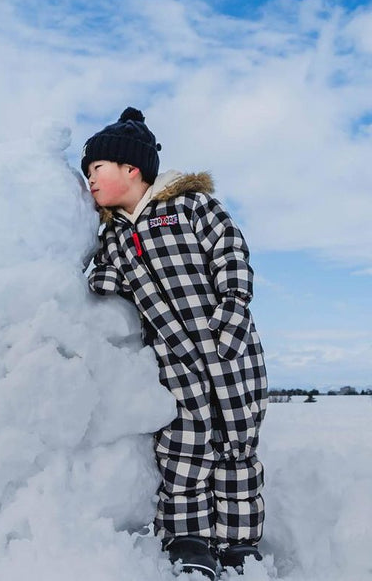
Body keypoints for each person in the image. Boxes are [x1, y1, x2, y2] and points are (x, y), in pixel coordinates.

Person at [82, 107, 268, 578]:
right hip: (173, 357)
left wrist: (232, 309)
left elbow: (230, 250)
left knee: (236, 445)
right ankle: (189, 539)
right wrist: (101, 277)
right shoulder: (114, 234)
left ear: (131, 168)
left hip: (229, 347)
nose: (90, 179)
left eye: (96, 168)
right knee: (184, 446)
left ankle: (238, 543)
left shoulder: (190, 208)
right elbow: (103, 281)